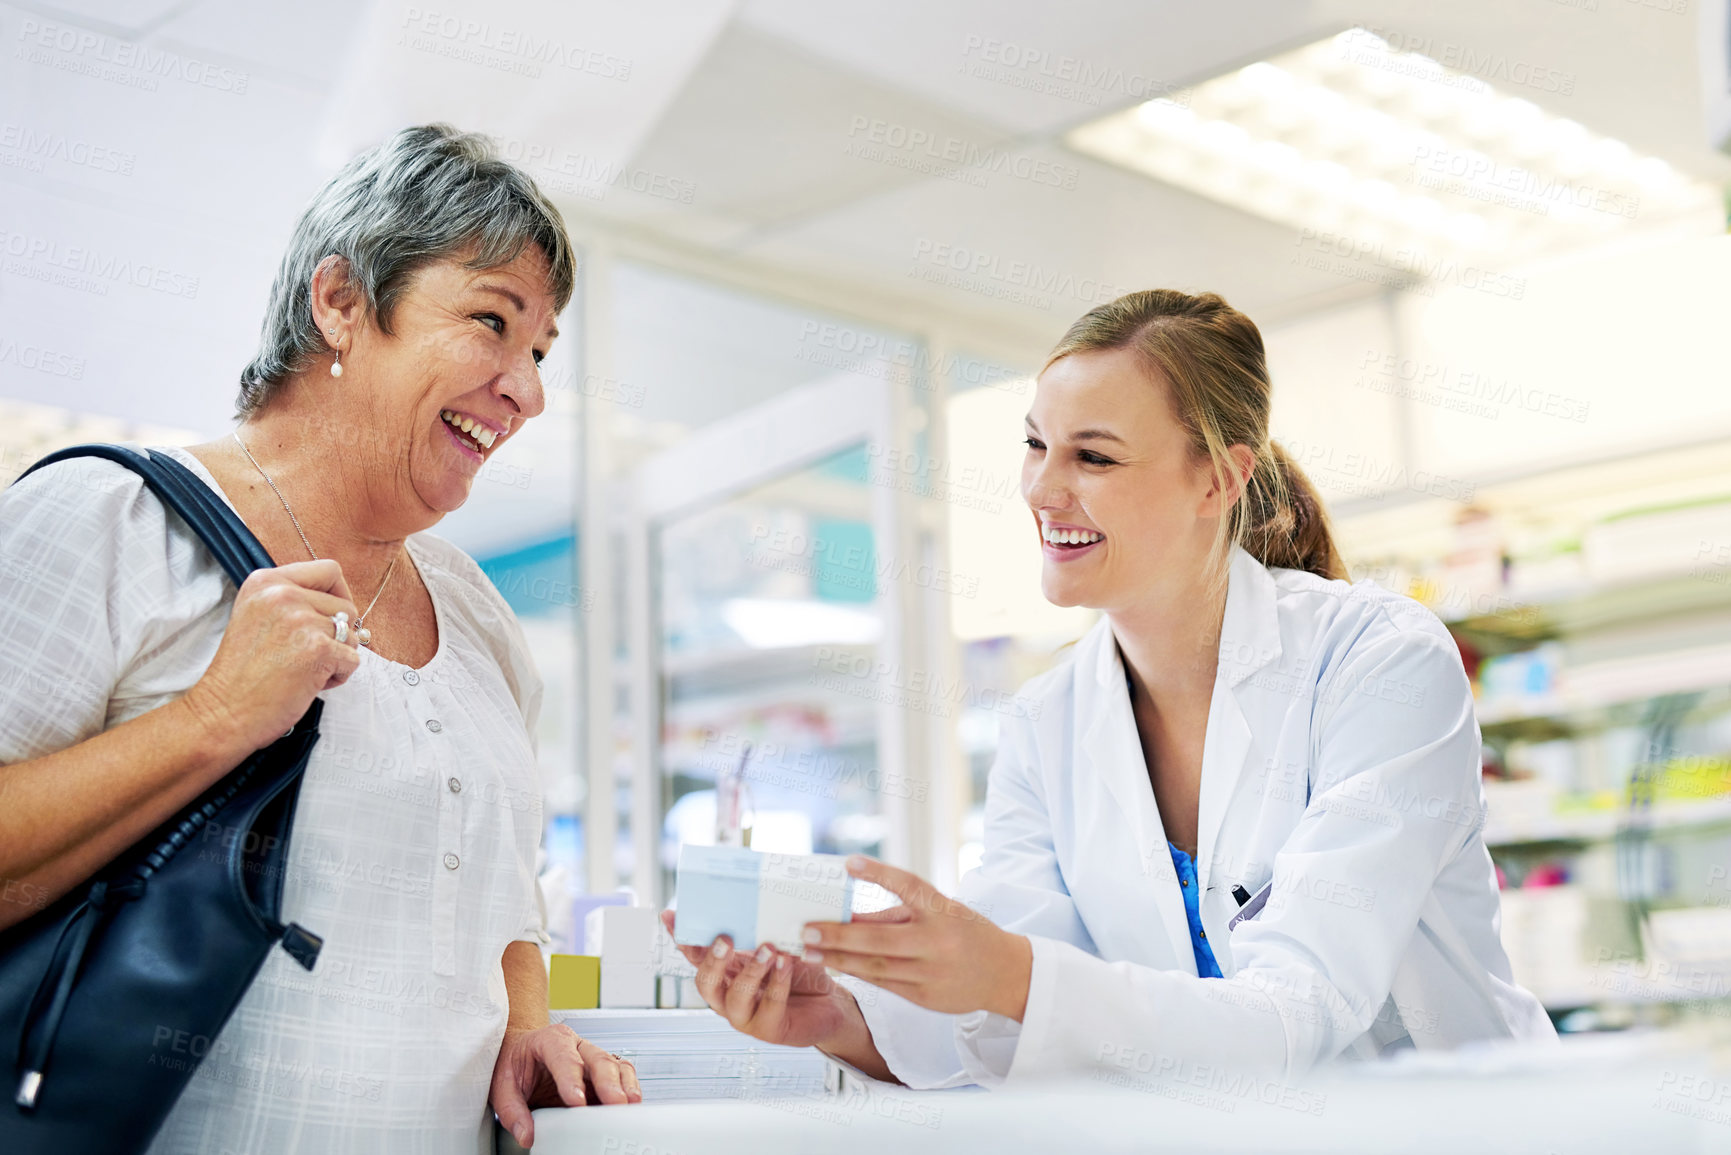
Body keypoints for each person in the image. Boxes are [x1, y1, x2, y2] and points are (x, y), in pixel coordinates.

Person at [663, 288, 1557, 1089]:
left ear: (1217, 477)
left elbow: (1296, 1017)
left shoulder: (1377, 660)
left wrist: (1007, 972)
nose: (1042, 489)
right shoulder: (1047, 719)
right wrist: (843, 1016)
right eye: (1035, 445)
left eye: (1092, 456)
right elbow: (1007, 1008)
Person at [0, 124, 636, 1153]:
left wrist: (527, 1023)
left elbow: (507, 897)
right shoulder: (107, 520)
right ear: (340, 302)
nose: (528, 390)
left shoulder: (480, 618)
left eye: (540, 353)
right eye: (491, 322)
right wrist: (212, 720)